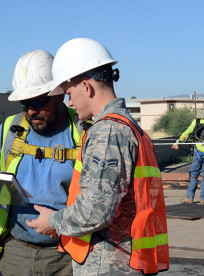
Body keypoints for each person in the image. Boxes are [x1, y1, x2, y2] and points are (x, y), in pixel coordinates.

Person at [27, 38, 169, 275]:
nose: (69, 103)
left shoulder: (108, 131)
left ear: (87, 87)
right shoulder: (128, 126)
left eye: (69, 93)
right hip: (122, 260)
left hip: (108, 263)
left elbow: (95, 211)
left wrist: (52, 221)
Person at [0, 50, 90, 276]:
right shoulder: (10, 129)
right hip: (16, 252)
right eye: (25, 103)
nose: (31, 111)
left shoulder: (86, 133)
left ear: (59, 95)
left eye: (39, 101)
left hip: (68, 255)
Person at [172, 116, 204, 204]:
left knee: (194, 175)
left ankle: (189, 198)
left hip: (198, 151)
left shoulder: (196, 121)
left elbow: (187, 133)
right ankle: (203, 199)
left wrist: (178, 142)